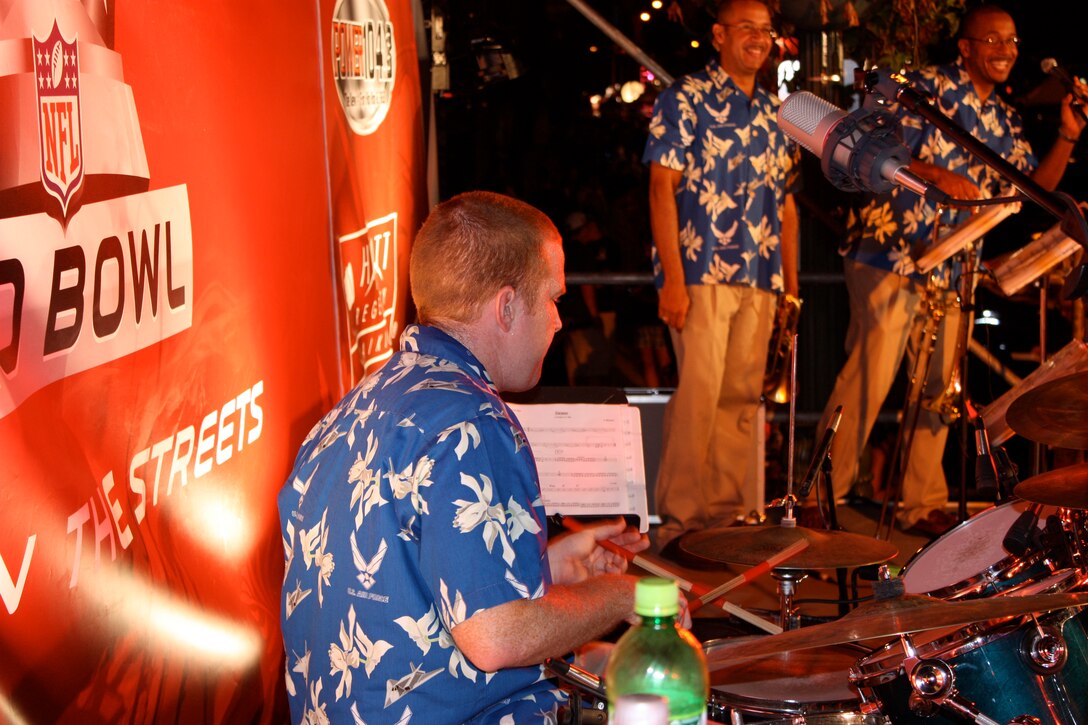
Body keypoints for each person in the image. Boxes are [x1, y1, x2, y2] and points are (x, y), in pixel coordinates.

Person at [277, 191, 650, 724]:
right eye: (553, 299)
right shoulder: (472, 421)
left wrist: (556, 566)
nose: (559, 321)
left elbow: (407, 591)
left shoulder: (344, 417)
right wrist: (616, 595)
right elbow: (494, 638)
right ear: (506, 307)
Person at [806, 4, 1086, 537]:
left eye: (1012, 41)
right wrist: (937, 174)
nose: (1005, 50)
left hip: (955, 267)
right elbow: (873, 147)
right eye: (993, 40)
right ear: (966, 47)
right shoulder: (925, 90)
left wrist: (1068, 135)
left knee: (939, 385)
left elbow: (1028, 189)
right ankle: (824, 493)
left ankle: (921, 500)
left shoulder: (1002, 117)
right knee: (871, 374)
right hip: (890, 251)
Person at [642, 0, 801, 551]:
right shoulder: (683, 98)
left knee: (740, 403)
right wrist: (673, 280)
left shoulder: (779, 114)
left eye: (766, 31)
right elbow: (661, 188)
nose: (758, 39)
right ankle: (682, 524)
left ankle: (729, 521)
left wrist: (792, 289)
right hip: (701, 268)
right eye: (746, 29)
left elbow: (786, 206)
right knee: (700, 398)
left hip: (760, 274)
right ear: (718, 35)